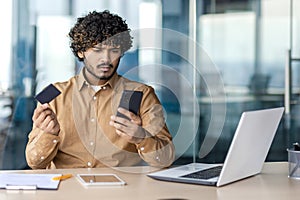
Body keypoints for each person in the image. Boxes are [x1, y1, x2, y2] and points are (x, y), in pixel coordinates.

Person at [25, 10, 175, 169]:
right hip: (68, 188)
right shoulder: (54, 94)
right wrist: (49, 134)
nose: (106, 59)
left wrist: (141, 138)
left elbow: (165, 159)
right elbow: (34, 163)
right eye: (97, 50)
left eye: (114, 50)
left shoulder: (142, 94)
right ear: (80, 51)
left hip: (121, 190)